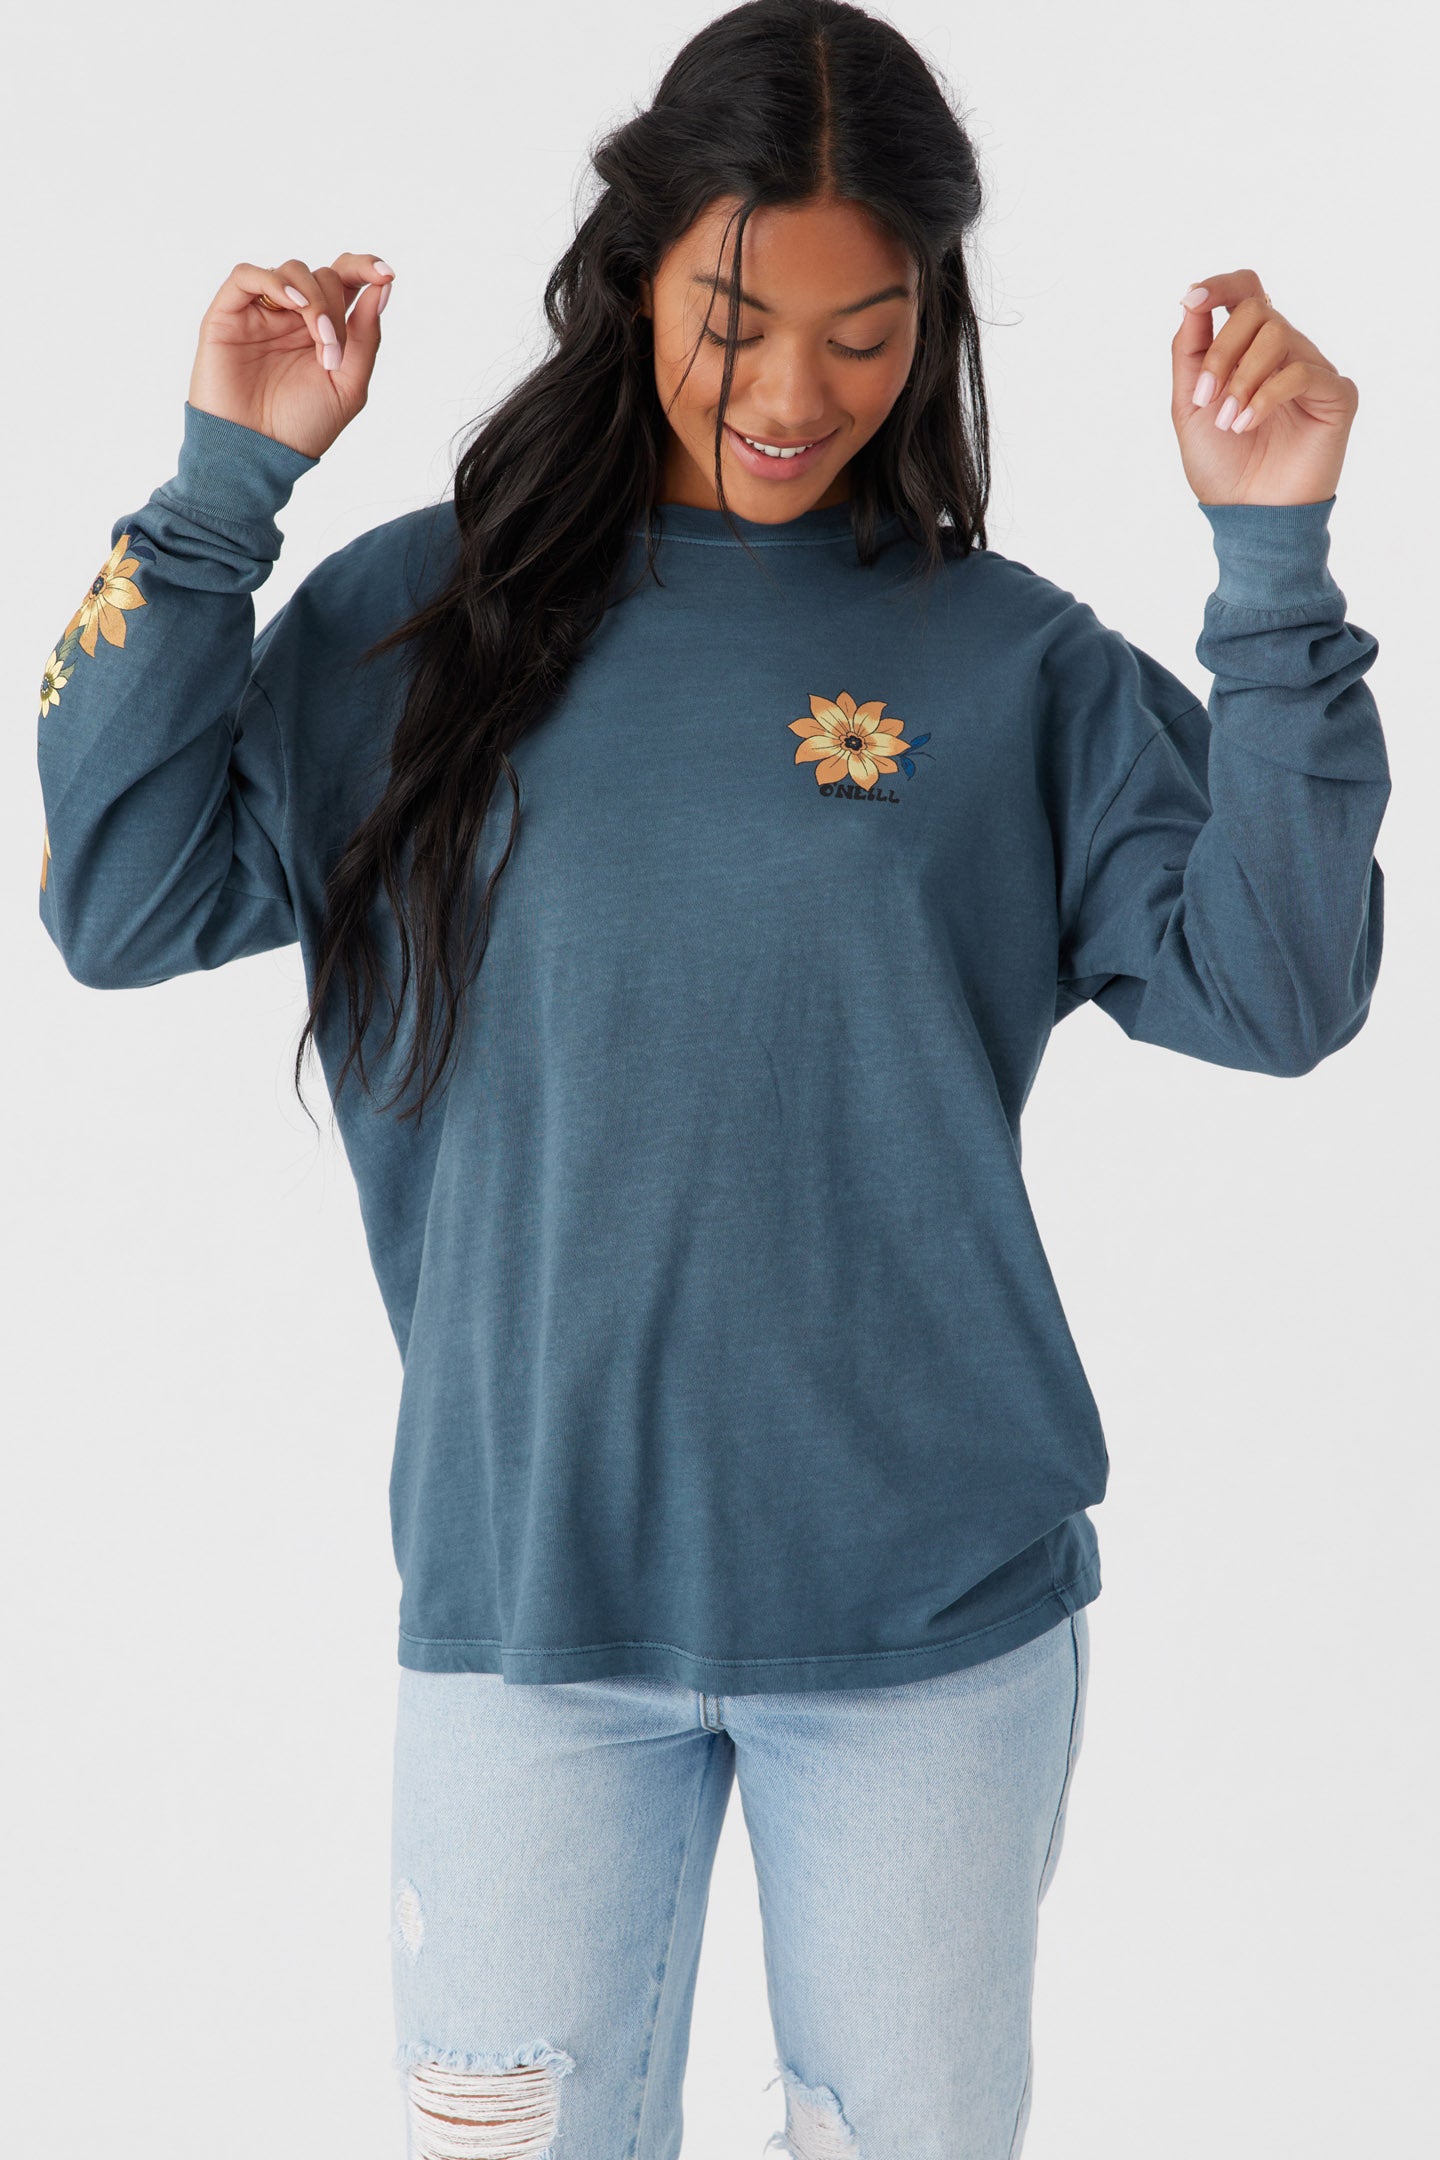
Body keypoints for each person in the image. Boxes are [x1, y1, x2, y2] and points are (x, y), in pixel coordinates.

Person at [32, 1, 1388, 2153]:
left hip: (931, 1618)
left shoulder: (1010, 664)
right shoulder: (423, 628)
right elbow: (113, 894)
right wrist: (221, 493)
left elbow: (1287, 984)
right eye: (733, 321)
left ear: (931, 322)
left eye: (865, 335)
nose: (792, 396)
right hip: (528, 1604)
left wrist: (1274, 568)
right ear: (634, 274)